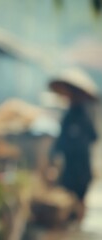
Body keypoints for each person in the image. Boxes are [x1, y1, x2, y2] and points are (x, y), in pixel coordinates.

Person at [48, 67, 99, 223]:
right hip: (71, 164)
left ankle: (77, 223)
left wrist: (73, 140)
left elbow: (93, 136)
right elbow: (63, 137)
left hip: (80, 164)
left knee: (78, 194)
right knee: (70, 194)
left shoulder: (81, 113)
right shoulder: (70, 113)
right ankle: (73, 222)